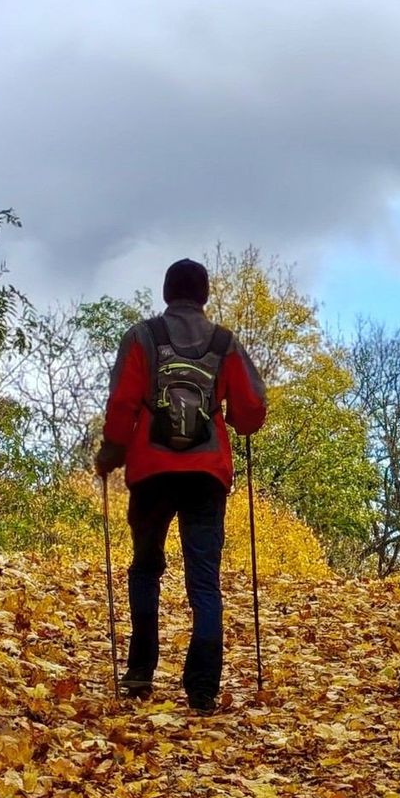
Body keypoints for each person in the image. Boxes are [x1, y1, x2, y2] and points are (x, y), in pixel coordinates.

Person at [94, 258, 267, 714]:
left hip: (151, 469)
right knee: (204, 579)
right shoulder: (224, 343)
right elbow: (250, 412)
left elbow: (122, 403)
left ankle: (139, 671)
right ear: (205, 295)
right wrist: (231, 416)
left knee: (146, 566)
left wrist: (112, 452)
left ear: (167, 291)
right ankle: (203, 686)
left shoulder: (142, 337)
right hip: (206, 473)